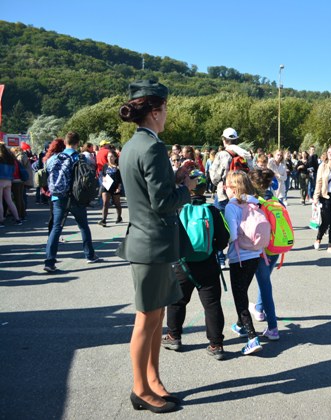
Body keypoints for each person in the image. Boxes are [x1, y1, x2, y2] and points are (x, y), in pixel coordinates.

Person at [117, 80, 196, 413]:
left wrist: (174, 177)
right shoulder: (152, 147)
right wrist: (187, 188)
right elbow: (162, 203)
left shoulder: (134, 145)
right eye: (165, 109)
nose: (166, 115)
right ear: (154, 111)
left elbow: (150, 192)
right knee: (146, 320)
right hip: (152, 244)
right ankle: (140, 389)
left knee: (155, 316)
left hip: (148, 241)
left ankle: (153, 380)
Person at [162, 173, 230, 359]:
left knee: (177, 301)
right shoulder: (213, 210)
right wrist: (212, 248)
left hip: (183, 264)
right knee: (212, 304)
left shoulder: (178, 209)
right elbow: (224, 239)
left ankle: (173, 336)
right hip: (208, 263)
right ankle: (216, 344)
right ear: (204, 189)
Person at [43, 132, 100, 273]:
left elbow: (46, 171)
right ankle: (90, 255)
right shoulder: (79, 158)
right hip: (75, 197)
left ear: (65, 142)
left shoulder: (54, 158)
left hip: (58, 197)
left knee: (56, 228)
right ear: (77, 143)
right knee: (83, 226)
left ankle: (49, 261)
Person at [224, 170, 264, 355]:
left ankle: (252, 337)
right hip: (256, 253)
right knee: (243, 290)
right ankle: (240, 325)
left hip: (239, 257)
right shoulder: (254, 202)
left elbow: (232, 235)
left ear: (233, 188)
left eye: (226, 186)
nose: (224, 189)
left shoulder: (231, 206)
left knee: (239, 297)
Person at [209, 127, 252, 269]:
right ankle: (239, 255)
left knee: (220, 227)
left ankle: (221, 259)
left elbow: (214, 178)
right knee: (239, 226)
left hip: (224, 194)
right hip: (241, 195)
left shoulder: (222, 154)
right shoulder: (244, 153)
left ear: (224, 139)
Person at [248, 168, 283, 340]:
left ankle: (273, 327)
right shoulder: (276, 201)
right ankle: (259, 310)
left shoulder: (256, 204)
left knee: (265, 286)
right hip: (276, 247)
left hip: (262, 250)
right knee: (265, 281)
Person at [97, 150, 123, 227]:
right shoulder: (105, 166)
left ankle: (119, 217)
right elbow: (102, 174)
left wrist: (119, 187)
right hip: (106, 186)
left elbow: (121, 178)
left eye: (111, 156)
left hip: (115, 186)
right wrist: (103, 177)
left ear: (115, 157)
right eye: (108, 156)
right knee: (105, 203)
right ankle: (103, 220)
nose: (109, 158)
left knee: (117, 203)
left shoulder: (118, 167)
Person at [0, 143, 22, 227]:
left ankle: (1, 220)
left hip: (0, 181)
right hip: (9, 181)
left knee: (0, 202)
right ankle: (17, 219)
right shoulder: (10, 158)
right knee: (9, 201)